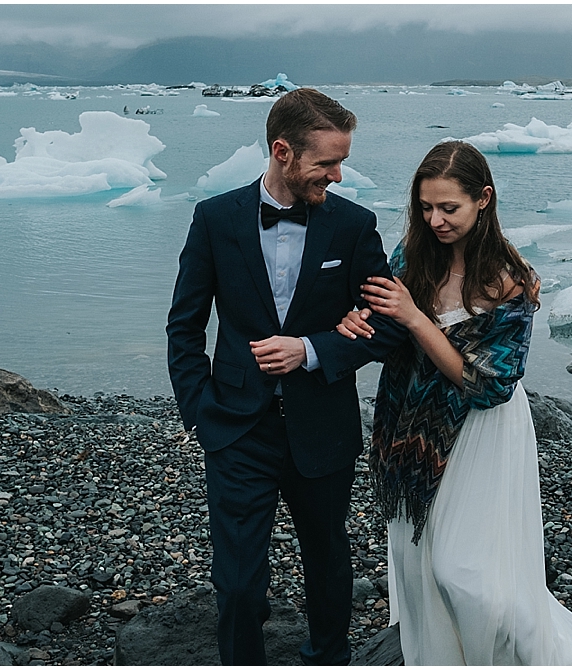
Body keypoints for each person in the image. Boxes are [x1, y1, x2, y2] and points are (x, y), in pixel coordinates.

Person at [336, 141, 572, 665]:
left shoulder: (508, 280)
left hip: (482, 429)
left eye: (449, 208)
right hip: (411, 424)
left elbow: (488, 383)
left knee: (465, 572)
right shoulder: (411, 258)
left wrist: (413, 317)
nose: (436, 220)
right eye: (426, 207)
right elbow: (387, 332)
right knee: (416, 556)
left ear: (484, 200)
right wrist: (358, 322)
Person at [166, 88, 408, 665]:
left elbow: (392, 325)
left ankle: (328, 658)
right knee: (239, 581)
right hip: (235, 429)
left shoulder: (353, 226)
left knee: (327, 562)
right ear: (282, 152)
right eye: (328, 163)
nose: (339, 175)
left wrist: (312, 349)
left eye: (342, 160)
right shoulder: (215, 219)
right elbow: (184, 327)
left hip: (322, 426)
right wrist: (200, 413)